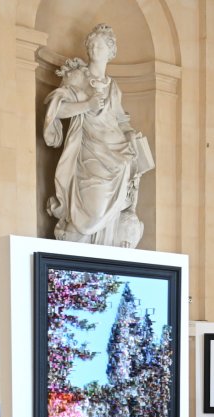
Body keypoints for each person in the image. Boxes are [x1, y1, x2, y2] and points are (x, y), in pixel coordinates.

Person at [42, 24, 154, 249]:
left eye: (99, 45)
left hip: (115, 151)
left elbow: (120, 120)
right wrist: (86, 104)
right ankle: (81, 243)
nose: (93, 48)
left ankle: (103, 247)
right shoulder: (76, 77)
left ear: (110, 51)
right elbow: (57, 111)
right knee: (92, 208)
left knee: (109, 208)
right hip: (88, 152)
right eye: (91, 44)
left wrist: (130, 133)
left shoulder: (114, 87)